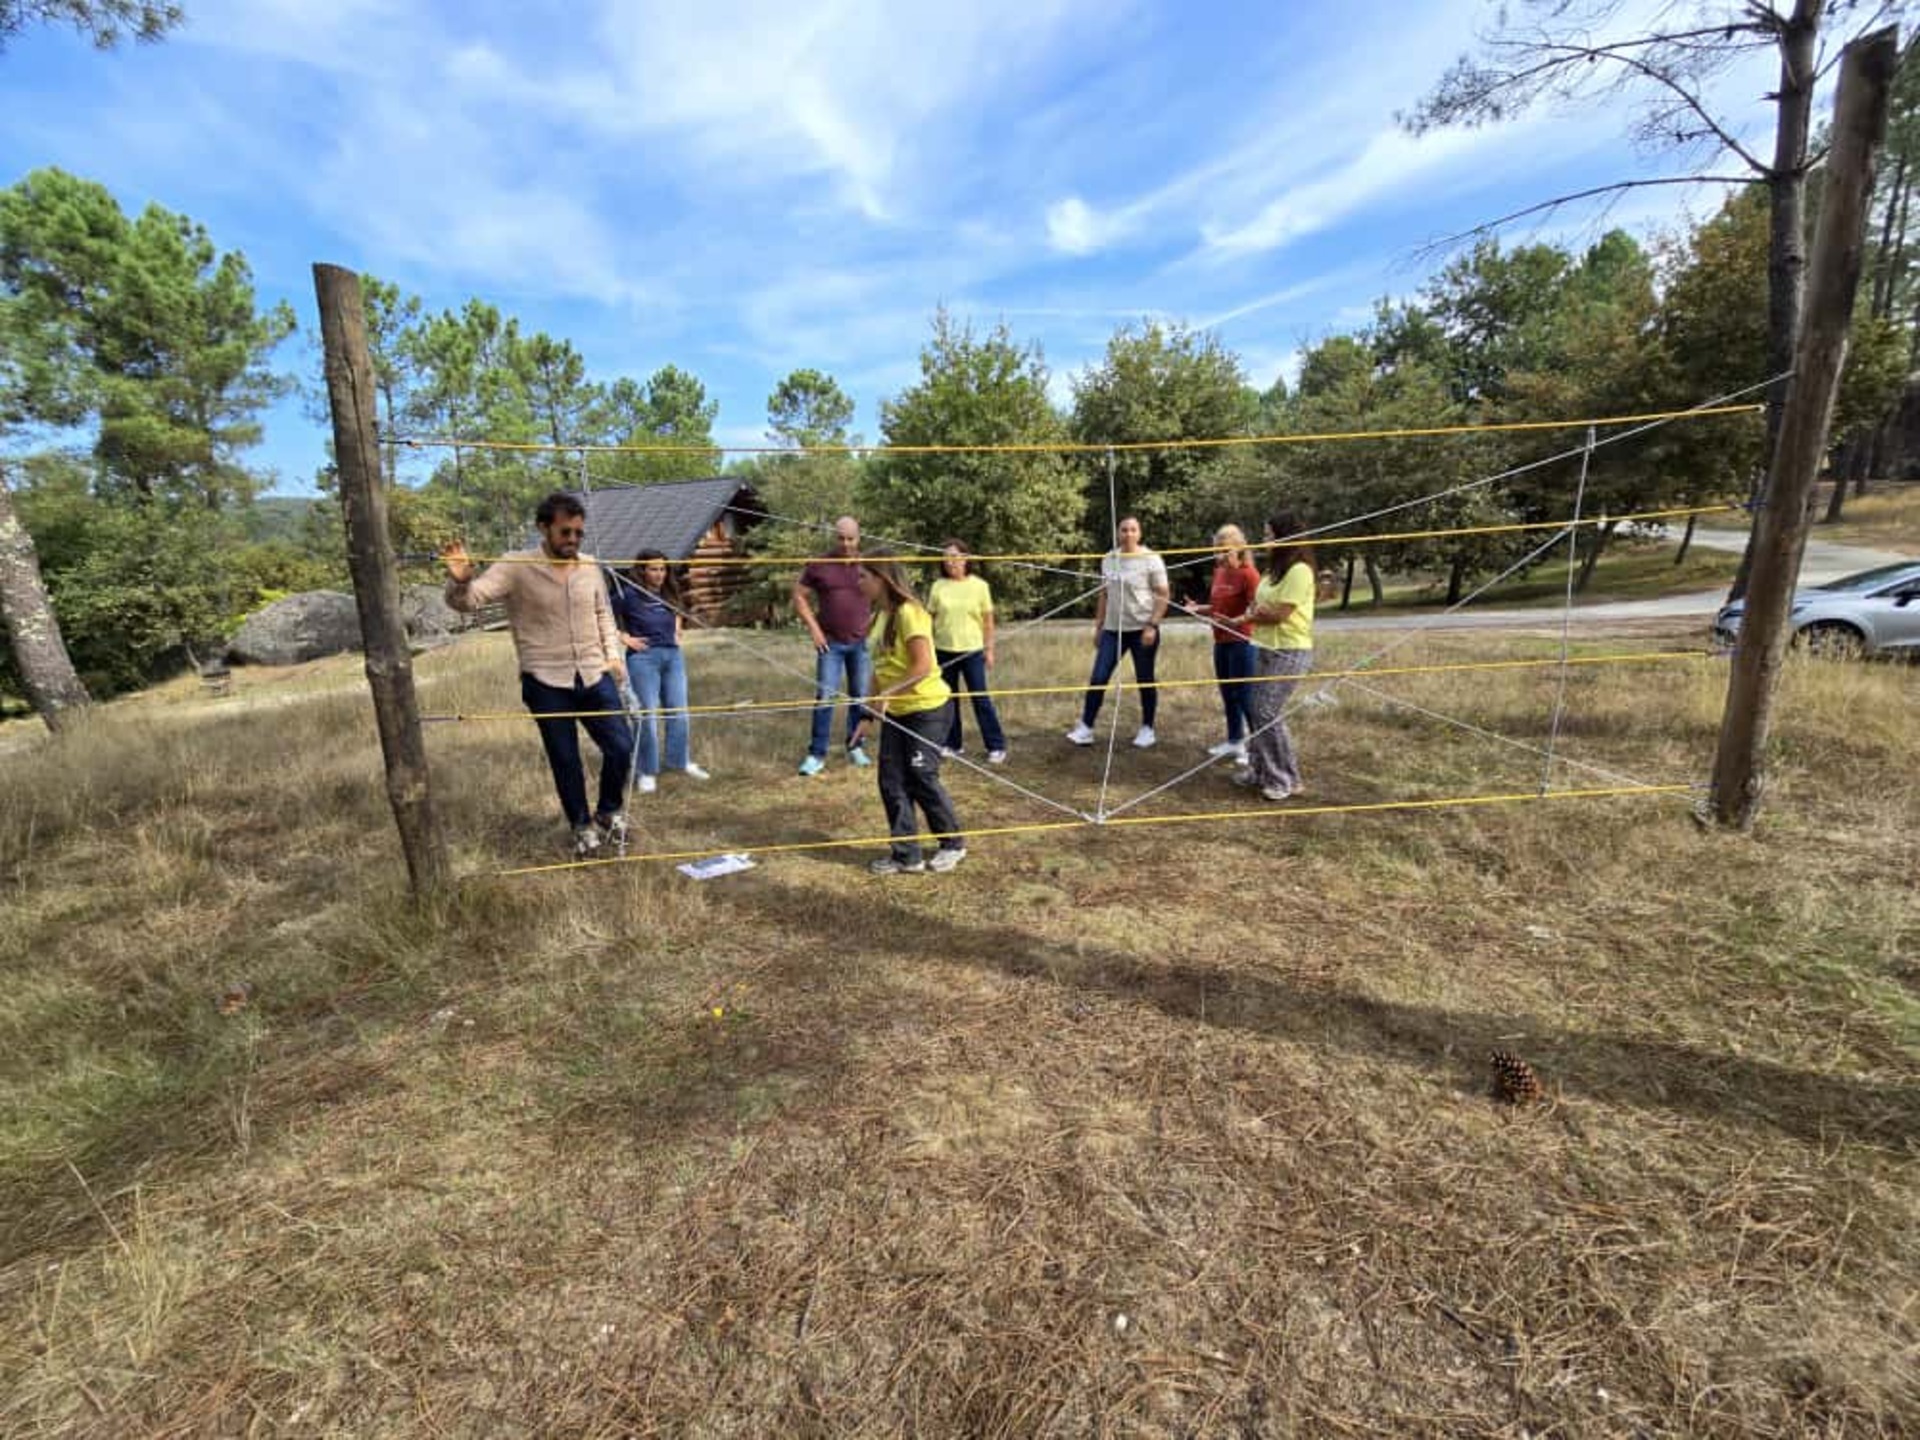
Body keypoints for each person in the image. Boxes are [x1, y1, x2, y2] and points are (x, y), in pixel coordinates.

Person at [442, 492, 633, 857]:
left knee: (621, 747)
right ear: (543, 527)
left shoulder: (590, 566)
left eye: (579, 533)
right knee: (565, 758)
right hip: (546, 680)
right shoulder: (516, 565)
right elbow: (469, 601)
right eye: (565, 532)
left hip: (595, 674)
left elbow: (603, 614)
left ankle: (608, 811)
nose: (573, 540)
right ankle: (581, 826)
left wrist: (614, 656)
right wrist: (460, 581)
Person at [848, 555, 966, 876]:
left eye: (862, 576)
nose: (857, 582)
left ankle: (953, 843)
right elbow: (879, 672)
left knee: (921, 775)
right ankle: (906, 855)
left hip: (928, 709)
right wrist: (868, 714)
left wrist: (888, 695)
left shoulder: (910, 613)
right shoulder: (878, 619)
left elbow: (923, 665)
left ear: (881, 578)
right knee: (891, 780)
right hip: (897, 712)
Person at [610, 549, 711, 795]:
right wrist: (625, 638)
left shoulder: (669, 592)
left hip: (673, 657)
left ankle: (680, 761)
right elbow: (603, 618)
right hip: (643, 658)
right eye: (654, 569)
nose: (659, 574)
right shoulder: (628, 594)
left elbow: (677, 611)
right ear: (642, 570)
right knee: (648, 715)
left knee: (679, 710)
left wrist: (677, 630)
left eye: (663, 569)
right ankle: (646, 771)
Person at [1232, 510, 1316, 802]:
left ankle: (1286, 779)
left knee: (1266, 712)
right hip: (1263, 646)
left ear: (1285, 538)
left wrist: (1258, 615)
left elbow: (1280, 615)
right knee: (1256, 710)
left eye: (1269, 534)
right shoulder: (1271, 572)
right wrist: (1241, 619)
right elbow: (1257, 607)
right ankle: (1259, 771)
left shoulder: (1300, 571)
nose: (1265, 539)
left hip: (1290, 650)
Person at [1065, 515, 1169, 749]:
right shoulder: (1109, 558)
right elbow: (1104, 593)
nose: (1128, 534)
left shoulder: (1151, 559)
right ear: (1118, 533)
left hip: (1142, 628)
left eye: (1133, 530)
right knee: (1099, 677)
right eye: (1124, 530)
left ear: (1139, 533)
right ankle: (1086, 728)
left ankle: (1147, 729)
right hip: (1113, 630)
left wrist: (1152, 625)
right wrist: (1099, 626)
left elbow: (1163, 594)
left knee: (1145, 679)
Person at [793, 516, 872, 776]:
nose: (846, 543)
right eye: (841, 538)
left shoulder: (868, 564)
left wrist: (878, 628)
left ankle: (855, 746)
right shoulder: (820, 565)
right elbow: (798, 596)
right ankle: (816, 754)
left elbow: (886, 595)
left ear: (859, 537)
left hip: (861, 643)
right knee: (826, 697)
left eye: (851, 538)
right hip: (831, 645)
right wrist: (815, 630)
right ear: (834, 536)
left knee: (860, 696)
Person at [1180, 523, 1263, 762]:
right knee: (1228, 694)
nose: (1219, 554)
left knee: (1245, 696)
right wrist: (1198, 609)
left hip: (1243, 641)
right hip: (1221, 642)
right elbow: (1216, 608)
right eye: (1216, 549)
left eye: (1225, 549)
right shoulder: (1219, 572)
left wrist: (1237, 622)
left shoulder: (1249, 574)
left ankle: (1256, 748)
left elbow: (1256, 610)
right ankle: (1234, 741)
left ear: (1238, 548)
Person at [927, 539, 1008, 764]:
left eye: (954, 556)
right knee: (948, 699)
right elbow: (929, 620)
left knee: (980, 698)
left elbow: (988, 621)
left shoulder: (980, 586)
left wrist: (989, 650)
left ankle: (996, 745)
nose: (950, 561)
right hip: (943, 650)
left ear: (965, 558)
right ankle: (953, 744)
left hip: (972, 651)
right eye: (946, 557)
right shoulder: (938, 586)